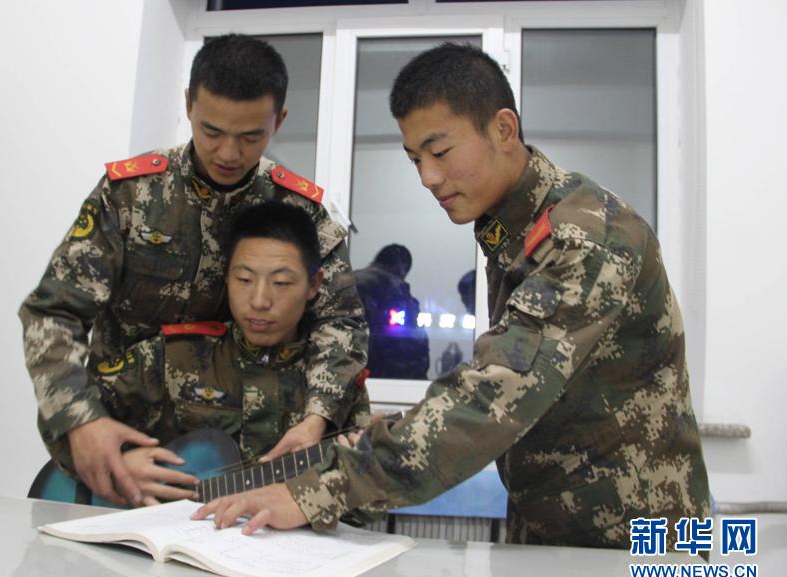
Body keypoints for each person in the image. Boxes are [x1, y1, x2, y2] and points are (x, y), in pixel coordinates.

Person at [193, 43, 711, 551]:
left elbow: (495, 394)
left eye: (439, 152)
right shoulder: (512, 229)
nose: (428, 177)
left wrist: (318, 490)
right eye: (414, 158)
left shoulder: (585, 237)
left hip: (640, 538)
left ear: (503, 129)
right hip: (553, 524)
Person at [19, 34, 368, 507]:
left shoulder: (299, 211)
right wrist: (81, 420)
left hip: (237, 453)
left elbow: (341, 321)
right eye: (211, 131)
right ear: (188, 105)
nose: (228, 153)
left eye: (251, 137)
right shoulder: (130, 195)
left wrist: (317, 417)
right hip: (129, 438)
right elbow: (54, 312)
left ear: (279, 121)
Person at [41, 203, 370, 506]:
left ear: (314, 285)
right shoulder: (177, 356)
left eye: (281, 283)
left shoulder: (332, 384)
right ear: (226, 277)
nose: (259, 300)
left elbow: (367, 503)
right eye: (244, 279)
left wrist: (317, 494)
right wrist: (120, 467)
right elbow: (62, 420)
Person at [353, 244, 430, 379]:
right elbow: (412, 343)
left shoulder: (348, 280)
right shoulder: (394, 287)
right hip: (380, 377)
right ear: (401, 267)